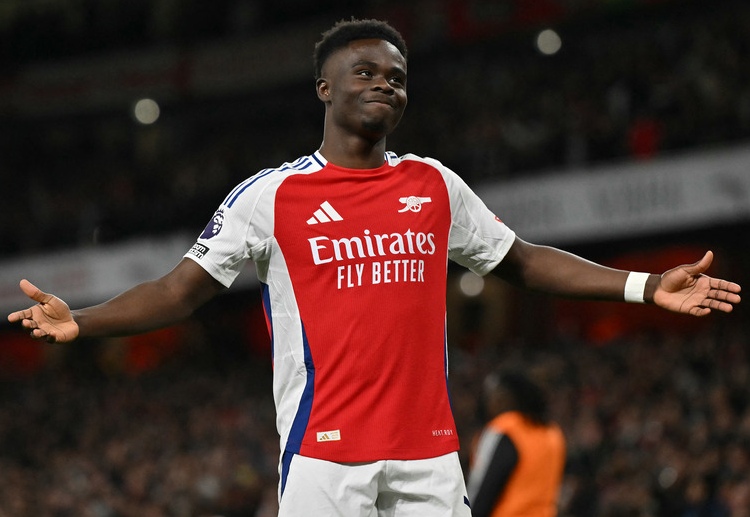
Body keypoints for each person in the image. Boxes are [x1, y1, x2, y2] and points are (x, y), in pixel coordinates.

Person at [7, 18, 742, 517]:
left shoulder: (434, 183)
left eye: (397, 75)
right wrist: (84, 322)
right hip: (324, 459)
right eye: (365, 72)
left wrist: (645, 285)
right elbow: (178, 291)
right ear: (324, 89)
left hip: (430, 459)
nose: (386, 83)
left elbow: (520, 261)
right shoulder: (271, 196)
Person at [467, 370, 565, 517]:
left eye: (492, 393)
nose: (488, 400)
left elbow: (481, 493)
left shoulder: (502, 429)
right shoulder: (553, 434)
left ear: (506, 396)